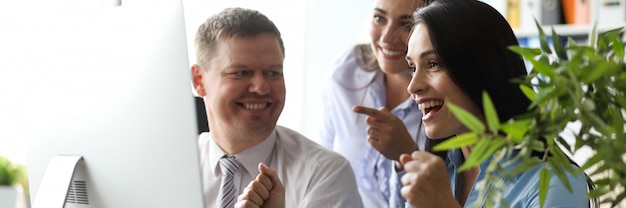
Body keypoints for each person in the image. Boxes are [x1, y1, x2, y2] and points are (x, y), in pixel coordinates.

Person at [400, 0, 593, 207]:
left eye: (433, 64)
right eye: (412, 68)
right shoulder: (435, 177)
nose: (413, 86)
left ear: (482, 68)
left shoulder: (556, 182)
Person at [191, 7, 363, 208]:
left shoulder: (325, 174)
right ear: (199, 81)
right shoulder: (168, 166)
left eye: (273, 73)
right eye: (241, 73)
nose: (261, 87)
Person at [316, 0, 432, 207]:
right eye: (379, 18)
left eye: (406, 25)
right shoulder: (346, 72)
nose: (387, 38)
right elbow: (321, 167)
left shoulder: (444, 103)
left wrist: (408, 155)